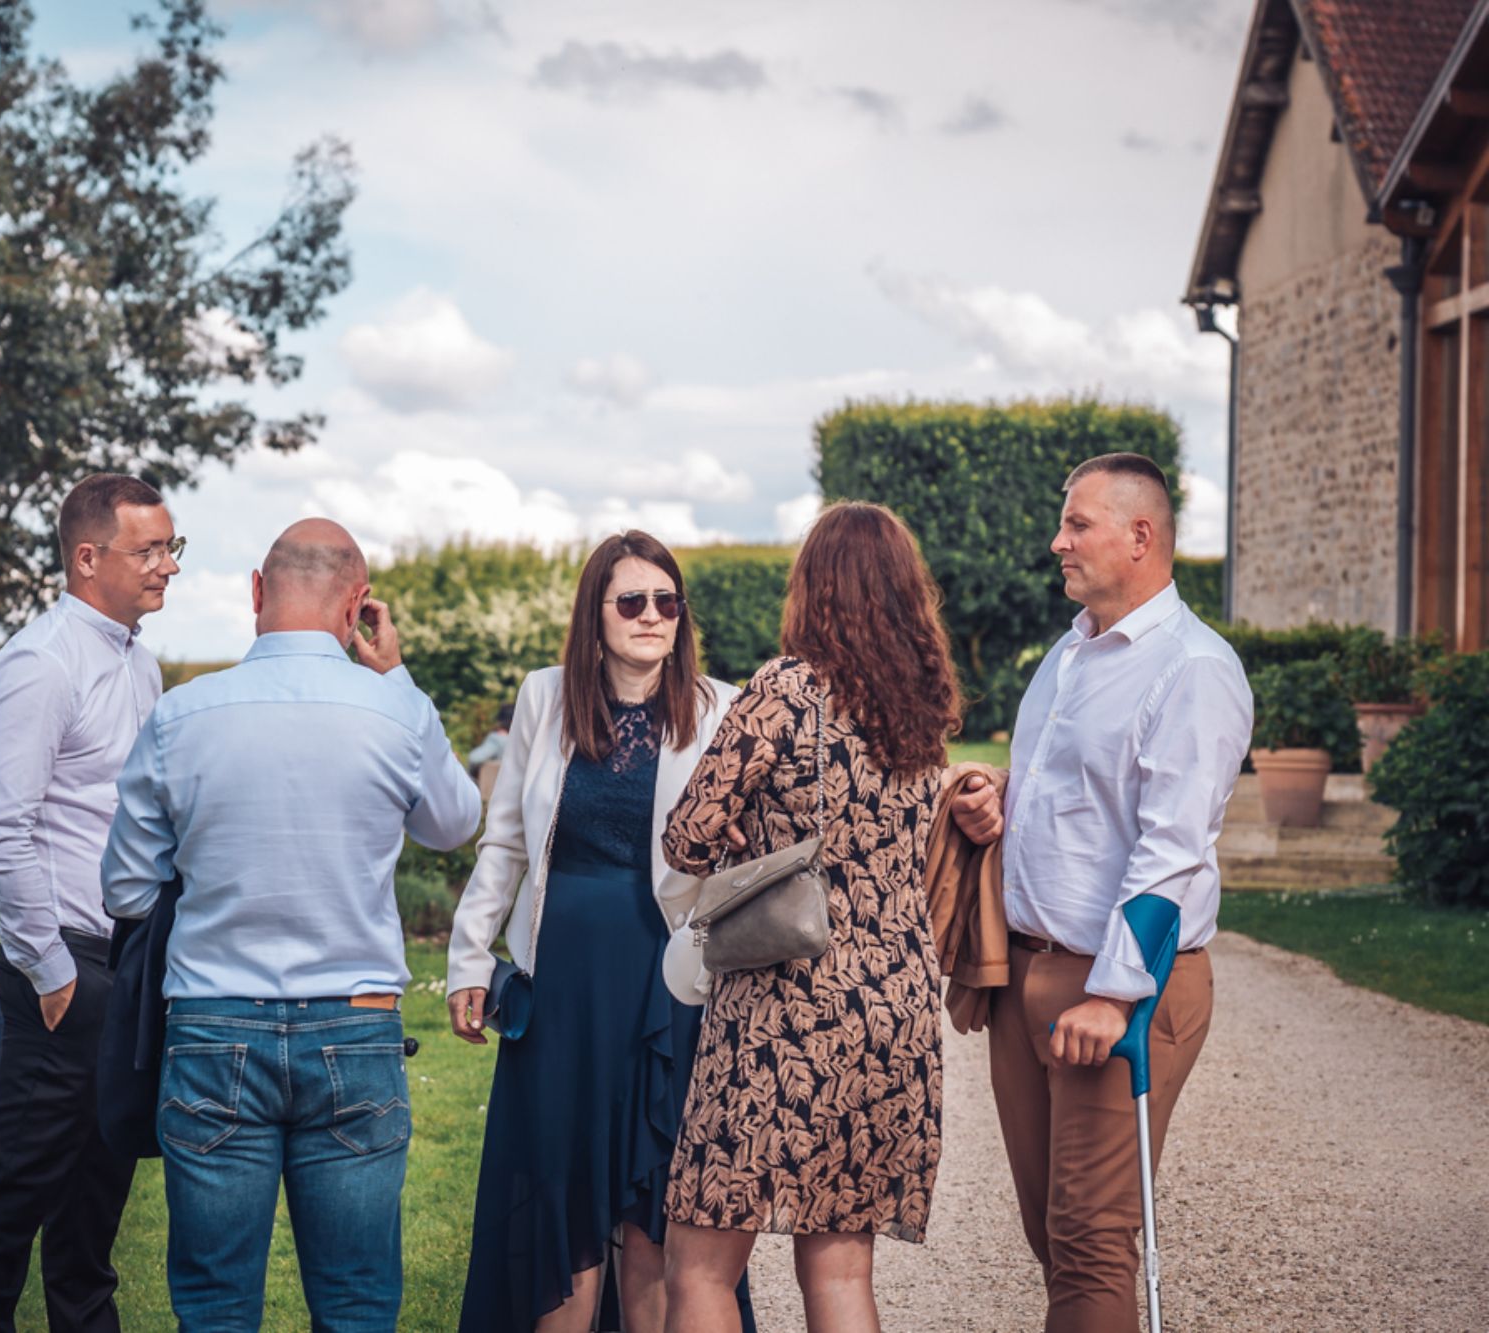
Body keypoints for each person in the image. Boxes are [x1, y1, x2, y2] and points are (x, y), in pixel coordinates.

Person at [100, 517, 481, 1332]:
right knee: (356, 1301)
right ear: (358, 605)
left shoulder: (181, 714)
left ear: (256, 592)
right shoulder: (396, 712)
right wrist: (397, 674)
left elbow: (126, 890)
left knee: (214, 1305)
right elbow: (455, 823)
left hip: (212, 1026)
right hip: (356, 1026)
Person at [947, 453, 1249, 1333]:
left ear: (1139, 536)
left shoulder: (1193, 668)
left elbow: (1173, 850)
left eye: (1077, 523)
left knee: (1090, 1241)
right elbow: (1078, 797)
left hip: (1120, 989)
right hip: (1027, 981)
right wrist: (996, 803)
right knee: (1052, 1235)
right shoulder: (1070, 651)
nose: (1058, 541)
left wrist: (1115, 996)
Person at [660, 502, 963, 1333]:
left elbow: (686, 836)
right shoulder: (921, 708)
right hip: (894, 1008)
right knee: (839, 1269)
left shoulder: (785, 689)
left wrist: (737, 828)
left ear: (813, 586)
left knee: (699, 1263)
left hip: (787, 1003)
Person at [446, 531, 746, 1333]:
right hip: (563, 983)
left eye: (667, 601)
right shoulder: (545, 696)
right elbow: (506, 841)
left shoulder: (720, 706)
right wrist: (468, 958)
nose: (652, 615)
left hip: (669, 982)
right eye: (632, 600)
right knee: (565, 1195)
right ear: (596, 614)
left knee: (655, 1210)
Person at [0, 475, 182, 1331]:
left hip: (126, 970)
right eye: (148, 550)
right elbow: (0, 828)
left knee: (92, 1224)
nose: (167, 566)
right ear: (88, 558)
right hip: (58, 977)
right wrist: (51, 973)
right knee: (1, 1218)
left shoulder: (141, 661)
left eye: (172, 548)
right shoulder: (38, 665)